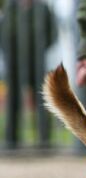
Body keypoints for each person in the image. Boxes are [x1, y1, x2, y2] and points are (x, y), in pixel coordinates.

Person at [1, 0, 56, 148]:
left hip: (37, 62)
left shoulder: (42, 8)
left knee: (42, 100)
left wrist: (40, 50)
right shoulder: (11, 7)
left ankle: (44, 140)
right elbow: (3, 33)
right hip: (14, 63)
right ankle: (11, 140)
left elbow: (52, 34)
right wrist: (9, 54)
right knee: (13, 101)